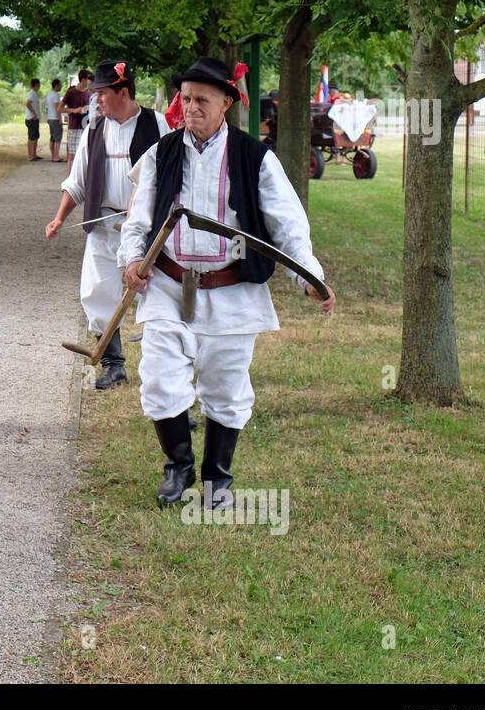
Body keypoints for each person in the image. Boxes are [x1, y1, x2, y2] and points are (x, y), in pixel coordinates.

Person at [119, 56, 335, 509]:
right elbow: (137, 220)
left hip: (234, 290)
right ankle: (178, 468)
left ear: (226, 104)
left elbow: (288, 226)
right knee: (159, 380)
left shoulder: (255, 157)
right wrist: (133, 260)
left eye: (202, 100)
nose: (191, 107)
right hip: (168, 286)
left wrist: (308, 276)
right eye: (186, 98)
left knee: (227, 388)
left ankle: (217, 478)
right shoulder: (161, 153)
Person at [46, 60, 166, 390]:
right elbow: (78, 182)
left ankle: (163, 366)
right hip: (102, 228)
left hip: (145, 232)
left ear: (123, 92)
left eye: (102, 93)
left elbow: (173, 178)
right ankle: (114, 365)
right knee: (96, 293)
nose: (96, 99)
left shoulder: (158, 126)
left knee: (155, 296)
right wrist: (59, 217)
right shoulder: (95, 130)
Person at [62, 69, 92, 168]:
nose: (90, 81)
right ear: (83, 79)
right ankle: (70, 179)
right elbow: (59, 108)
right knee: (72, 155)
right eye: (89, 79)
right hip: (74, 127)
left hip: (87, 127)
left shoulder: (89, 93)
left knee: (84, 155)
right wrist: (75, 110)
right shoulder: (71, 92)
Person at [46, 78, 64, 162]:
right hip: (55, 119)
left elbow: (47, 108)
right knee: (57, 138)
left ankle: (53, 155)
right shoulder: (56, 95)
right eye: (60, 85)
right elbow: (58, 108)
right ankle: (56, 157)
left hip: (50, 118)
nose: (61, 86)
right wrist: (60, 119)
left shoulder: (49, 94)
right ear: (56, 85)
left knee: (52, 138)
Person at [25, 78, 43, 160]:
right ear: (35, 85)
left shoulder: (34, 93)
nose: (39, 86)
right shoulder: (32, 93)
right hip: (31, 119)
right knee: (31, 137)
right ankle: (30, 155)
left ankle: (34, 154)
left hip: (35, 119)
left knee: (35, 137)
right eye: (39, 84)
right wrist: (34, 113)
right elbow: (28, 104)